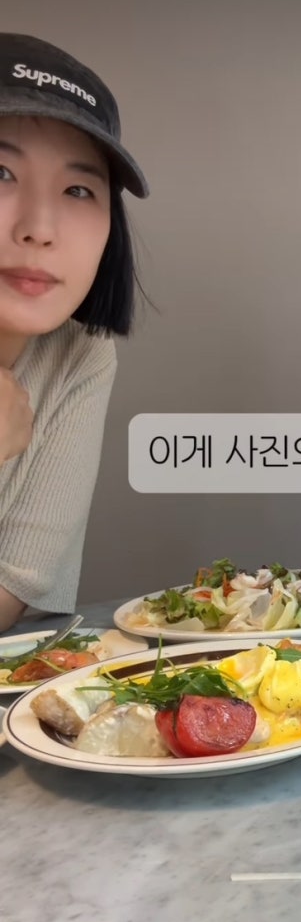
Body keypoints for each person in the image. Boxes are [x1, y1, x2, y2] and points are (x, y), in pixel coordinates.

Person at [0, 33, 148, 631]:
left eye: (78, 190)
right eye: (1, 172)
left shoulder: (80, 354)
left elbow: (14, 587)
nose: (39, 227)